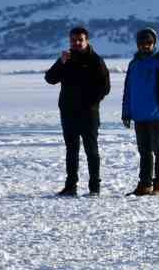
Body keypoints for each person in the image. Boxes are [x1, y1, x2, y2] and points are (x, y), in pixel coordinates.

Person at [44, 25, 110, 196]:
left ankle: (94, 187)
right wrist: (60, 62)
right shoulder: (67, 59)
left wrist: (90, 103)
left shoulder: (96, 61)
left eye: (80, 40)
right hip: (68, 112)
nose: (77, 43)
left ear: (86, 41)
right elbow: (50, 79)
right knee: (71, 150)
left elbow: (105, 87)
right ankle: (70, 186)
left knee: (91, 151)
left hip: (89, 113)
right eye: (73, 40)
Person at [121, 27, 159, 196]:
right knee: (144, 151)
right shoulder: (134, 63)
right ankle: (145, 184)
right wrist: (126, 113)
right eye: (142, 43)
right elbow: (128, 90)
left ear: (154, 43)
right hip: (139, 115)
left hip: (157, 114)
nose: (145, 46)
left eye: (149, 42)